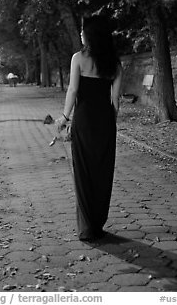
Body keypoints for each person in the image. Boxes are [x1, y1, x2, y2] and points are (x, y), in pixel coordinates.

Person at [56, 15, 123, 242]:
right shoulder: (114, 63)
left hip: (84, 120)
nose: (80, 34)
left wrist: (65, 117)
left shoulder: (78, 58)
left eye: (82, 31)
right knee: (103, 173)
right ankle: (98, 223)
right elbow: (116, 99)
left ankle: (87, 228)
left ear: (89, 35)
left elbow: (73, 90)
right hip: (105, 121)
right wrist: (109, 121)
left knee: (83, 172)